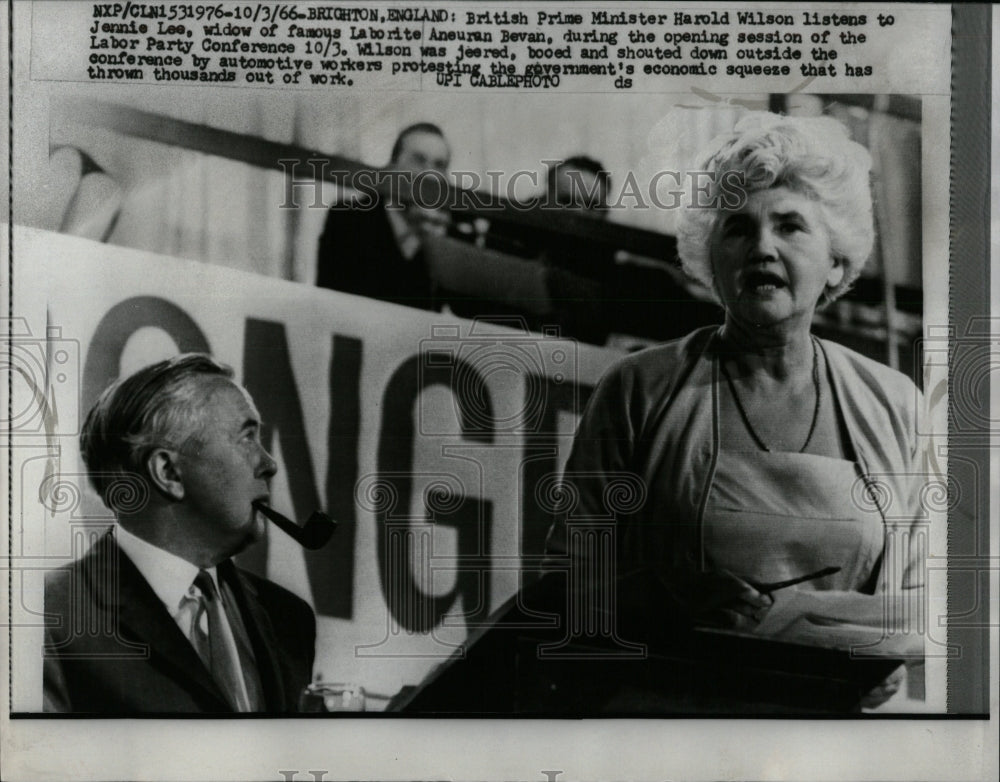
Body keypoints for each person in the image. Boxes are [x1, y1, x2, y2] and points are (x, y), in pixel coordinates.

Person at [543, 112, 925, 706]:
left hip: (835, 737)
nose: (762, 248)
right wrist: (653, 597)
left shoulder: (895, 403)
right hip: (672, 727)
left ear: (837, 261)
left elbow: (922, 593)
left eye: (790, 226)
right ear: (709, 260)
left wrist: (891, 662)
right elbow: (567, 584)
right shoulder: (636, 390)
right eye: (738, 229)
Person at [43, 354, 316, 713]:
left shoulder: (288, 618)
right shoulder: (49, 614)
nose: (269, 464)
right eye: (247, 437)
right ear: (168, 471)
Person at [316, 121, 451, 310]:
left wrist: (437, 249)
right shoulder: (348, 219)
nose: (429, 174)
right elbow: (331, 301)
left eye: (439, 165)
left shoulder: (451, 234)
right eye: (418, 160)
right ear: (392, 167)